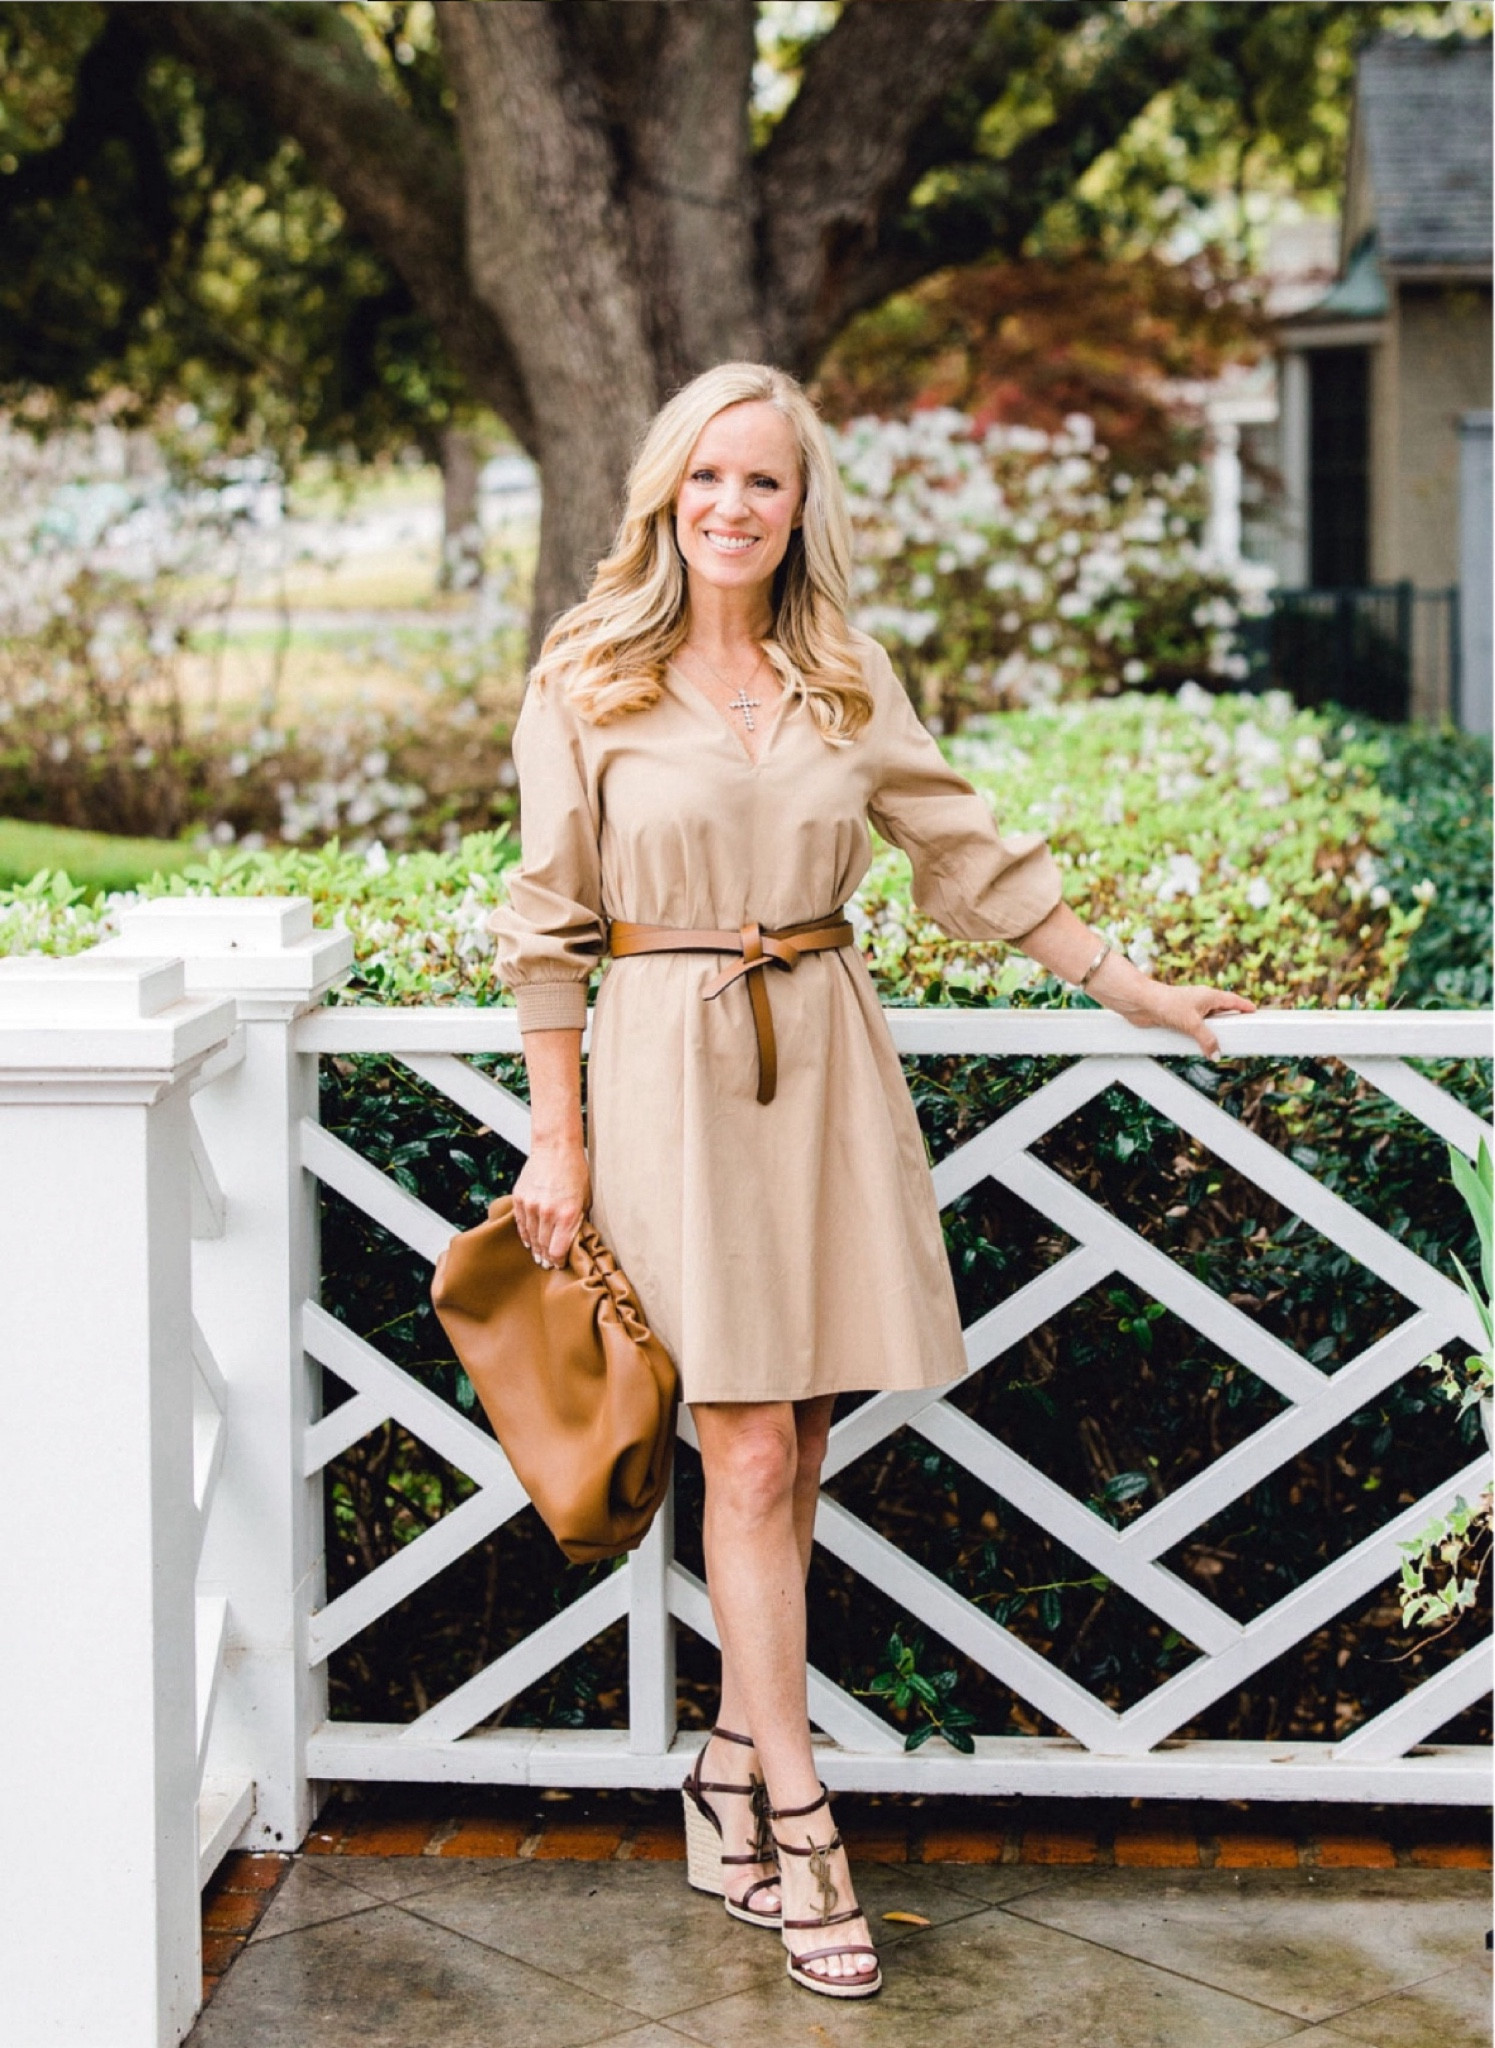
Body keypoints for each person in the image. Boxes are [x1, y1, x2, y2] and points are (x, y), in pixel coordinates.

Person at [488, 362, 1255, 2000]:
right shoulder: (585, 675)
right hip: (668, 1073)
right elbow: (547, 924)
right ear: (665, 494)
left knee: (799, 1444)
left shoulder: (844, 672)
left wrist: (1124, 982)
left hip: (825, 1062)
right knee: (749, 1447)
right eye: (707, 477)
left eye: (763, 481)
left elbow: (963, 847)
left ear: (798, 506)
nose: (733, 506)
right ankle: (801, 1810)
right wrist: (558, 1136)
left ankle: (722, 1765)